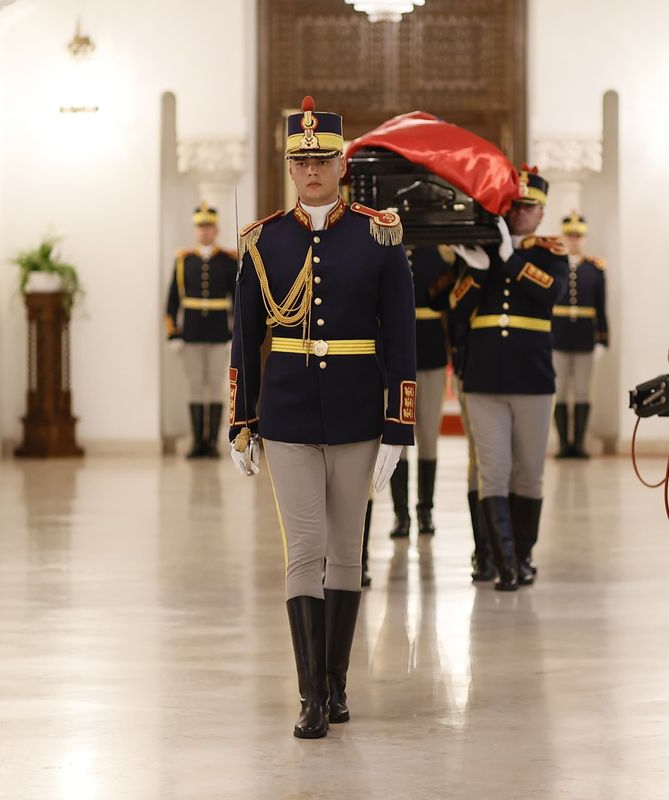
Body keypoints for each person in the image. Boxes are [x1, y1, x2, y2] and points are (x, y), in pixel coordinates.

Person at [228, 96, 417, 738]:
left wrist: (400, 424)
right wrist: (241, 419)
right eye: (301, 159)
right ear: (288, 166)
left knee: (347, 551)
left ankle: (338, 684)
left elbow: (401, 338)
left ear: (343, 164)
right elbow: (244, 337)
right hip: (285, 413)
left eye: (324, 158)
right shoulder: (264, 240)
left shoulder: (379, 233)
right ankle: (310, 694)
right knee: (302, 550)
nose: (313, 169)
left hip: (358, 410)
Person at [449, 166, 569, 590]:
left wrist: (507, 257)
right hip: (484, 377)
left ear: (541, 213)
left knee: (528, 472)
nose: (521, 213)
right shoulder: (480, 251)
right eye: (515, 206)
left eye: (529, 207)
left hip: (532, 378)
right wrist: (479, 269)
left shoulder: (550, 253)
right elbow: (457, 309)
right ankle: (503, 562)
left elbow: (550, 293)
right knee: (492, 470)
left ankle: (523, 554)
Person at [385, 244, 456, 540]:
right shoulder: (386, 245)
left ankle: (426, 509)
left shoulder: (440, 249)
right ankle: (401, 514)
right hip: (393, 354)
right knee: (396, 437)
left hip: (430, 351)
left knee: (428, 436)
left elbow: (449, 303)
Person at [165, 203, 239, 458]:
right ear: (195, 229)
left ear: (216, 229)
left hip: (219, 333)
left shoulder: (228, 261)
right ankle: (198, 442)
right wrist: (173, 333)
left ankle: (212, 443)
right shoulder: (184, 260)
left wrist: (234, 334)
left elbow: (237, 300)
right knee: (195, 386)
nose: (204, 231)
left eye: (208, 226)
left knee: (216, 385)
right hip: (192, 333)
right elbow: (173, 299)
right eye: (200, 227)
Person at [552, 211, 608, 459]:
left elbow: (601, 306)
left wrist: (602, 339)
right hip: (558, 336)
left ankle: (580, 444)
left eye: (578, 236)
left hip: (585, 337)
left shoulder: (595, 269)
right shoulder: (555, 265)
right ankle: (565, 444)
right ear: (564, 237)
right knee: (560, 391)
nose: (574, 240)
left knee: (583, 391)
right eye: (570, 235)